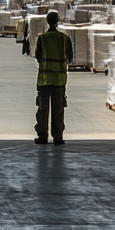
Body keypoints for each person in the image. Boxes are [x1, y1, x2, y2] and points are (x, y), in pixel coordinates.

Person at [34, 10, 74, 145]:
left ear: (47, 21)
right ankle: (58, 137)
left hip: (44, 79)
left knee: (43, 109)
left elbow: (38, 57)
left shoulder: (42, 39)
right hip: (59, 80)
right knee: (58, 109)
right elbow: (70, 57)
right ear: (57, 21)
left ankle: (42, 136)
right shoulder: (65, 38)